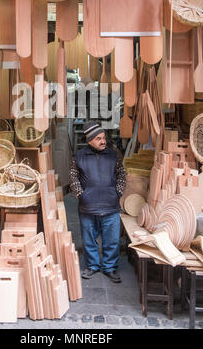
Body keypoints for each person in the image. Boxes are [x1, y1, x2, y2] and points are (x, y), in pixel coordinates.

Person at [69, 121, 126, 283]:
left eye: (104, 138)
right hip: (88, 205)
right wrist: (81, 194)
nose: (103, 141)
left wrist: (118, 192)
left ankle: (110, 267)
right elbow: (73, 177)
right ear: (89, 141)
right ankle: (92, 266)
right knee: (89, 239)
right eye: (98, 138)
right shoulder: (79, 156)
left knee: (112, 239)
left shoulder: (113, 155)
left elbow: (122, 174)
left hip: (110, 205)